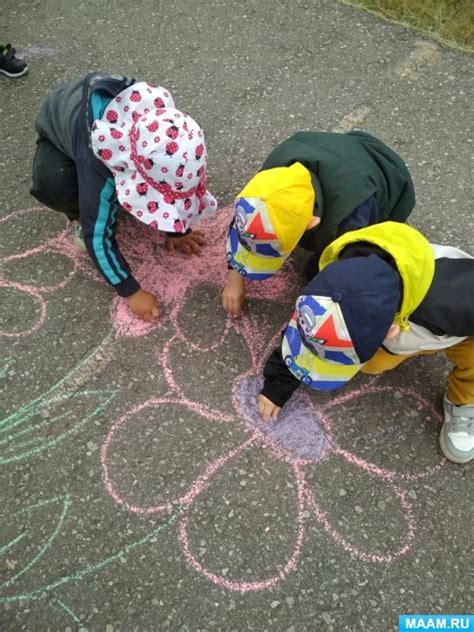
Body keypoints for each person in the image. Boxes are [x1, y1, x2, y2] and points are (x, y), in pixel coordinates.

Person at [257, 221, 474, 464]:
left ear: (391, 331)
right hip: (410, 323)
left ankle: (464, 400)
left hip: (456, 328)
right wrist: (278, 385)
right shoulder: (336, 281)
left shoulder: (458, 302)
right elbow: (307, 334)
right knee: (371, 365)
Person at [30, 72, 217, 321]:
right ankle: (76, 213)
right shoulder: (99, 166)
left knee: (133, 189)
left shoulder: (169, 133)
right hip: (59, 139)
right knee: (54, 183)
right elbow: (97, 236)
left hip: (102, 113)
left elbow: (176, 183)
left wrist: (178, 229)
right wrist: (130, 291)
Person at [222, 131, 415, 315]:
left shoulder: (352, 218)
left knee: (325, 269)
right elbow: (246, 216)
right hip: (344, 155)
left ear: (312, 223)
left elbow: (353, 261)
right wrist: (235, 275)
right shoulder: (270, 183)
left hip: (388, 186)